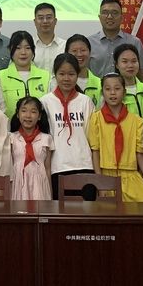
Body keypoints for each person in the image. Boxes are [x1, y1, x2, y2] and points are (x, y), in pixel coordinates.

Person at [88, 73, 143, 202]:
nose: (112, 93)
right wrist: (100, 183)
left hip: (130, 175)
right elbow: (95, 152)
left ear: (124, 92)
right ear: (102, 93)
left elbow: (140, 155)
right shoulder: (96, 119)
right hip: (106, 176)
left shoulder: (136, 121)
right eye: (108, 89)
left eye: (117, 88)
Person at [42, 53, 95, 199]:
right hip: (58, 166)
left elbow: (90, 135)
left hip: (84, 165)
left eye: (71, 74)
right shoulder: (45, 102)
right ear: (55, 75)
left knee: (88, 210)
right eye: (62, 74)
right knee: (60, 211)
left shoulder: (86, 101)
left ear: (77, 75)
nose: (66, 78)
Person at [88, 0, 143, 78]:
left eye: (114, 13)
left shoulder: (134, 42)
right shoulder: (89, 43)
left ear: (121, 18)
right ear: (99, 17)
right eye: (105, 13)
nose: (109, 17)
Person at [0, 31, 50, 118]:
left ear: (33, 50)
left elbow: (49, 108)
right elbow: (1, 110)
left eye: (28, 48)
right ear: (10, 50)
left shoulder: (46, 76)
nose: (23, 52)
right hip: (9, 126)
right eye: (18, 48)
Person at [9, 96, 52, 200]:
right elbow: (9, 167)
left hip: (40, 185)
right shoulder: (11, 138)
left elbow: (47, 168)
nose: (28, 116)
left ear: (39, 116)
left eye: (33, 112)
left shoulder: (47, 139)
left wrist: (50, 195)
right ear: (18, 114)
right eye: (24, 111)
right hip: (18, 183)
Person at [59, 35, 101, 104]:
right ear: (66, 54)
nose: (79, 54)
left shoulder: (100, 84)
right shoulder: (59, 81)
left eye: (83, 50)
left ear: (90, 53)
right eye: (74, 51)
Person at [114, 43, 143, 121]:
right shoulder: (113, 93)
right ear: (116, 65)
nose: (130, 65)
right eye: (125, 61)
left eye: (134, 61)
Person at [32, 3, 66, 71]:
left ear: (55, 21)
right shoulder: (28, 46)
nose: (45, 21)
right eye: (41, 18)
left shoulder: (65, 45)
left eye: (49, 17)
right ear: (35, 22)